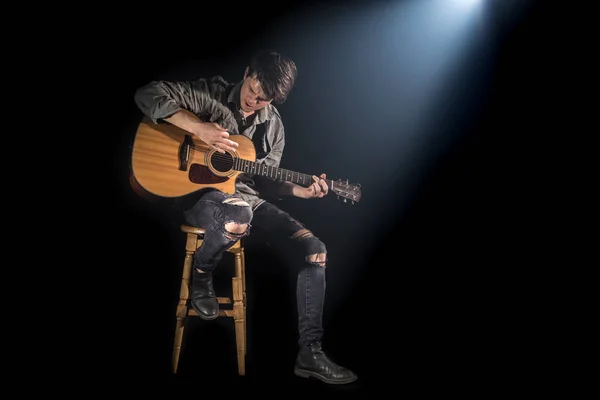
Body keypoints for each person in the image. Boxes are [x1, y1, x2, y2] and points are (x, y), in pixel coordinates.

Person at [133, 49, 357, 385]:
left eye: (264, 98)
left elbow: (268, 183)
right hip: (201, 196)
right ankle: (202, 272)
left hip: (246, 200)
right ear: (247, 71)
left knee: (315, 249)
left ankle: (309, 353)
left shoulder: (274, 126)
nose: (255, 100)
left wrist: (301, 191)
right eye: (253, 89)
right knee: (237, 214)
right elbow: (146, 94)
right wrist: (198, 127)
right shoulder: (209, 93)